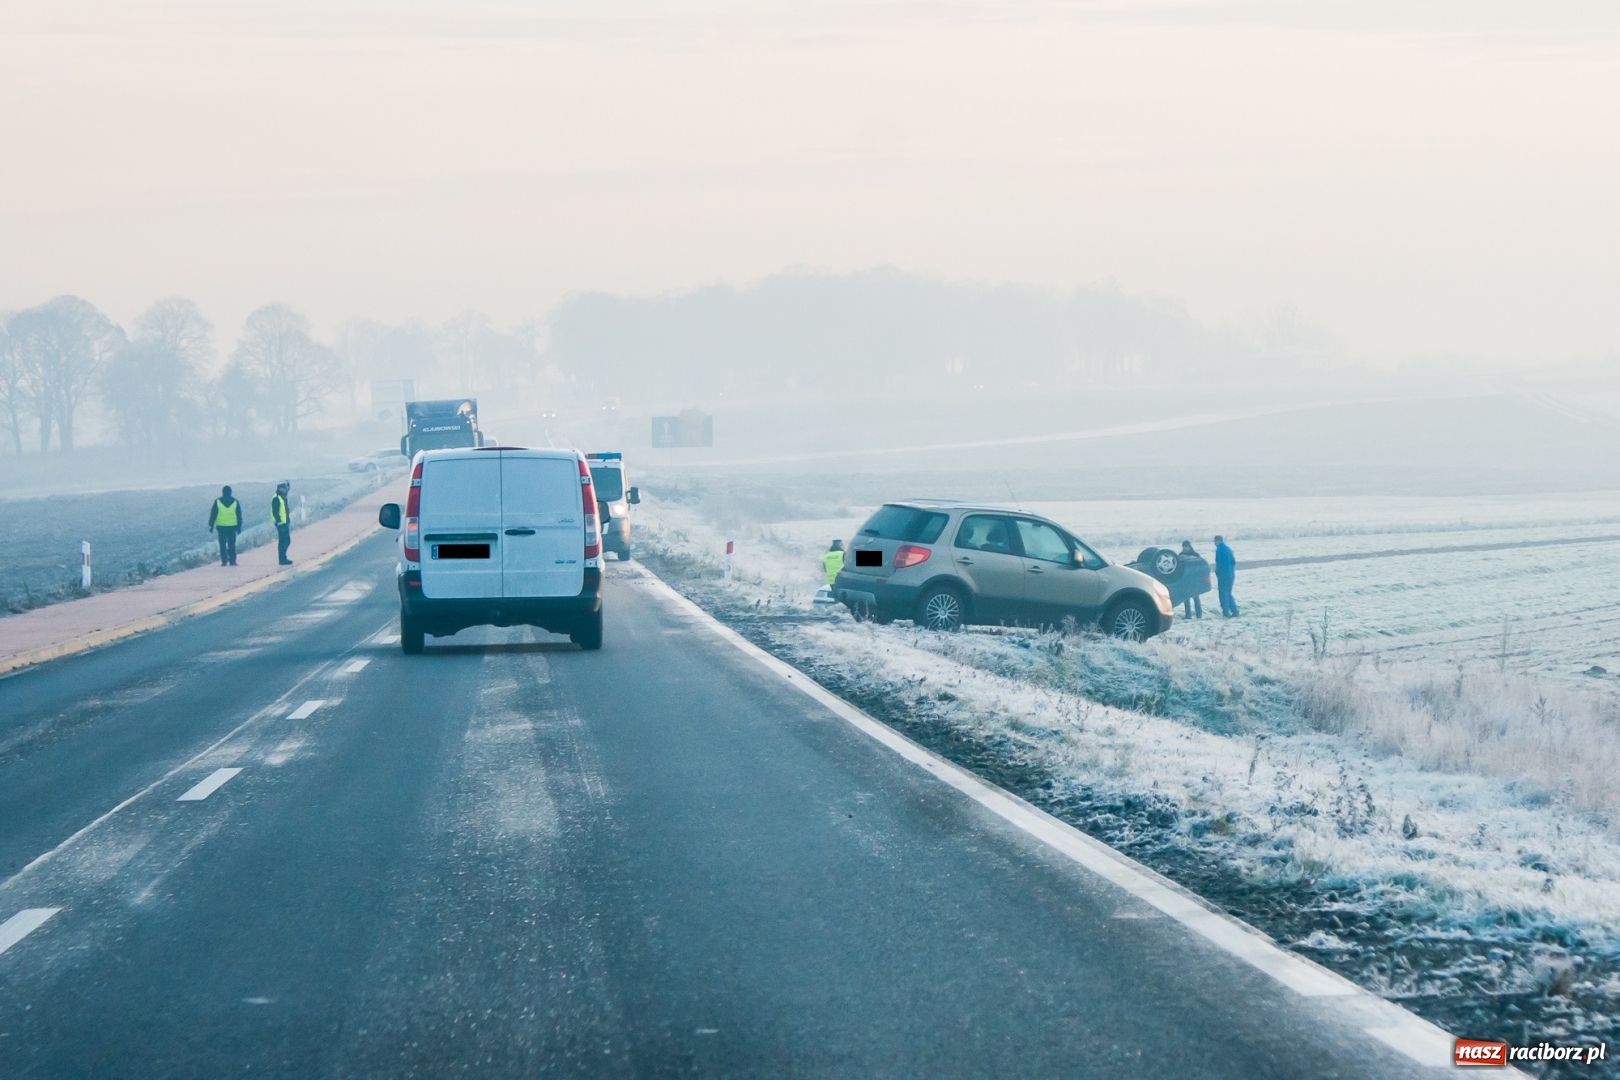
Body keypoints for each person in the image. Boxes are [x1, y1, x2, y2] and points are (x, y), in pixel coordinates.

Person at [208, 485, 242, 566]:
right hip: (232, 526)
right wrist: (239, 527)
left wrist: (211, 525)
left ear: (223, 492)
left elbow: (213, 514)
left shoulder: (217, 502)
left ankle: (224, 561)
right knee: (232, 544)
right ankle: (232, 561)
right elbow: (239, 516)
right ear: (231, 492)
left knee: (222, 545)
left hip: (221, 526)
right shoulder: (235, 502)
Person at [1214, 534, 1238, 617]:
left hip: (1223, 575)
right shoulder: (1228, 549)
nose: (1214, 543)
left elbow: (1219, 563)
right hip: (1231, 574)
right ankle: (1235, 610)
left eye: (1215, 541)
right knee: (1229, 593)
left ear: (1218, 541)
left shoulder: (1219, 550)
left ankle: (1226, 612)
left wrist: (1217, 572)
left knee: (1223, 593)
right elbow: (1234, 561)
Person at [1179, 540, 1204, 619]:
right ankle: (1188, 615)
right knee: (1186, 599)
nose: (1184, 548)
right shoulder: (1180, 555)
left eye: (1185, 547)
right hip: (1185, 580)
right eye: (1183, 547)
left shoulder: (1195, 555)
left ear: (1189, 547)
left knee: (1196, 598)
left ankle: (1199, 614)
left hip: (1194, 580)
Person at [271, 481, 292, 565]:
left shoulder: (282, 496)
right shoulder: (277, 498)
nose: (285, 490)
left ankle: (284, 557)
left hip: (284, 522)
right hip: (280, 523)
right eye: (284, 488)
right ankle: (282, 559)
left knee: (287, 540)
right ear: (280, 489)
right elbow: (275, 511)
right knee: (283, 541)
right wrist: (279, 522)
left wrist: (288, 486)